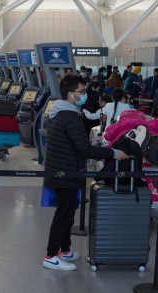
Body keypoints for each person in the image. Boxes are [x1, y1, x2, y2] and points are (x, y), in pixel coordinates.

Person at [43, 75, 129, 270]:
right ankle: (50, 255)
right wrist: (113, 153)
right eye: (81, 92)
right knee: (64, 215)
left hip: (61, 169)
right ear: (71, 94)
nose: (84, 95)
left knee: (68, 212)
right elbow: (85, 149)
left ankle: (65, 250)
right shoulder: (70, 116)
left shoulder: (59, 111)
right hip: (67, 172)